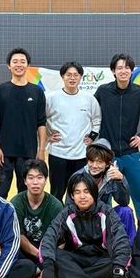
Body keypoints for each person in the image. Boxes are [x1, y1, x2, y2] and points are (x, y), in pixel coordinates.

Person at [39, 173, 132, 278]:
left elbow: (122, 241)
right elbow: (49, 238)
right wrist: (48, 266)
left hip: (101, 262)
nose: (82, 196)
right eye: (77, 192)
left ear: (94, 193)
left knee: (119, 264)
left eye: (86, 191)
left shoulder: (107, 212)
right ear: (72, 196)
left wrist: (118, 272)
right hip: (77, 261)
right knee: (56, 256)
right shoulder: (66, 213)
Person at [94, 53, 140, 221]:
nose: (123, 71)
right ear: (113, 71)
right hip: (107, 156)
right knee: (103, 198)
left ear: (132, 71)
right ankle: (104, 232)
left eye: (127, 67)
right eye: (119, 68)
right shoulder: (103, 91)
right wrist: (93, 136)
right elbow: (91, 113)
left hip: (131, 153)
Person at [0, 48, 47, 198]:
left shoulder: (37, 92)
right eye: (15, 61)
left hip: (28, 152)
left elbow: (41, 123)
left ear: (28, 65)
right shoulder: (0, 91)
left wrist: (41, 150)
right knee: (0, 193)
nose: (19, 64)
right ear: (9, 66)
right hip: (4, 153)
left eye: (22, 61)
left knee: (25, 194)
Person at [45, 61, 102, 200]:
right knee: (57, 193)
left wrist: (92, 137)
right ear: (62, 77)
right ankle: (58, 215)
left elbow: (97, 120)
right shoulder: (51, 98)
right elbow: (40, 120)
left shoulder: (89, 99)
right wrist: (47, 137)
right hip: (58, 153)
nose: (72, 78)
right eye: (68, 75)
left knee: (79, 192)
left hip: (81, 155)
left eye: (76, 75)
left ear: (80, 77)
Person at [10, 159, 63, 268]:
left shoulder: (56, 206)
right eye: (31, 178)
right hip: (23, 251)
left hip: (48, 251)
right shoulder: (16, 203)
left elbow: (61, 240)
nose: (35, 182)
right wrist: (38, 254)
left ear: (46, 180)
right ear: (25, 181)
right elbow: (18, 235)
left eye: (39, 177)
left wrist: (47, 255)